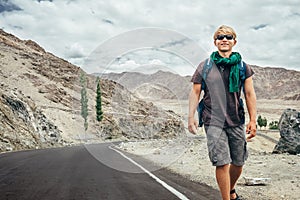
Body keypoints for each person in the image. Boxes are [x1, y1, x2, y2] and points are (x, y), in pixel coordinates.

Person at [188, 25, 257, 200]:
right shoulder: (205, 66)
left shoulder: (243, 67)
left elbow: (249, 94)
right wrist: (191, 117)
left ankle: (231, 190)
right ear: (215, 42)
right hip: (213, 121)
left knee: (238, 162)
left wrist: (253, 120)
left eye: (228, 36)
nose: (224, 39)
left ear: (234, 41)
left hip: (236, 119)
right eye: (220, 37)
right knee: (222, 162)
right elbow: (195, 92)